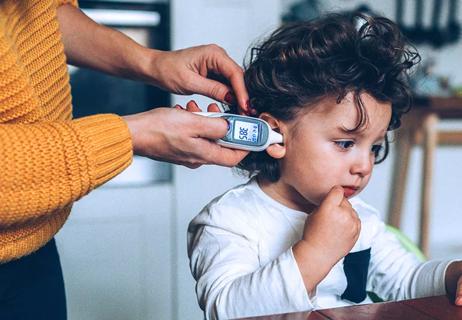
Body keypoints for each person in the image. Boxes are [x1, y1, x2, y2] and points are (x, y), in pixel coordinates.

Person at [187, 13, 462, 320]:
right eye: (345, 143)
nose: (364, 165)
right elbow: (225, 310)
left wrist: (453, 277)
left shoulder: (360, 219)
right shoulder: (230, 221)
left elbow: (407, 280)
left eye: (373, 147)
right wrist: (316, 251)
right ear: (276, 137)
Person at [0, 1, 250, 319]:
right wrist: (131, 135)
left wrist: (152, 62)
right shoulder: (228, 225)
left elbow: (41, 12)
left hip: (31, 243)